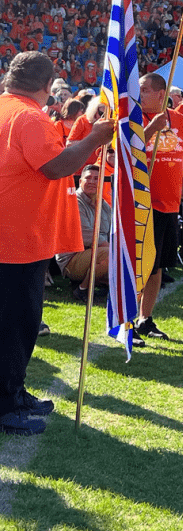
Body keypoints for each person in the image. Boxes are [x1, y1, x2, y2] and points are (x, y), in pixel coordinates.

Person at [0, 52, 114, 435]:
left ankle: (13, 393)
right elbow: (56, 165)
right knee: (17, 326)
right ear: (48, 85)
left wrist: (85, 130)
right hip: (17, 240)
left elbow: (52, 150)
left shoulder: (8, 109)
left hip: (15, 236)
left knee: (17, 323)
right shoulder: (28, 116)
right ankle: (6, 404)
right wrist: (97, 137)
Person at [135, 72, 183, 340]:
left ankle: (145, 318)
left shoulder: (179, 120)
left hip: (169, 204)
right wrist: (151, 129)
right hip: (142, 203)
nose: (140, 93)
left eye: (144, 89)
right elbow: (127, 152)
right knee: (139, 265)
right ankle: (127, 321)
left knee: (157, 267)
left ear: (160, 93)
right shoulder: (133, 118)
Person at [54, 164, 113, 300]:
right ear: (80, 181)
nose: (92, 181)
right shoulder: (73, 202)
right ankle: (82, 289)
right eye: (88, 178)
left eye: (96, 178)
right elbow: (89, 237)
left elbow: (111, 232)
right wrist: (117, 255)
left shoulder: (103, 204)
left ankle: (105, 284)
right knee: (110, 254)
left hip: (93, 253)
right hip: (72, 259)